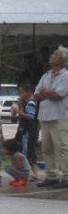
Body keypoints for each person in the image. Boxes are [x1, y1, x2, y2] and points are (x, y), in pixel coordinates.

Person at [34, 46, 68, 188]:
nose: (51, 56)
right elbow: (36, 95)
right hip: (45, 117)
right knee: (46, 148)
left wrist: (45, 91)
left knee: (61, 147)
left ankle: (66, 176)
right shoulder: (46, 75)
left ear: (61, 60)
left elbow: (58, 95)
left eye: (54, 55)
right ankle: (51, 175)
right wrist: (48, 92)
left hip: (58, 117)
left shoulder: (65, 76)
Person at [11, 81, 40, 181]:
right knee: (23, 150)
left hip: (28, 131)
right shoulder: (24, 102)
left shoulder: (31, 102)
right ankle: (26, 171)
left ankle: (32, 172)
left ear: (29, 92)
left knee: (27, 151)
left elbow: (31, 116)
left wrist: (18, 111)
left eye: (22, 92)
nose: (21, 95)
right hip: (23, 129)